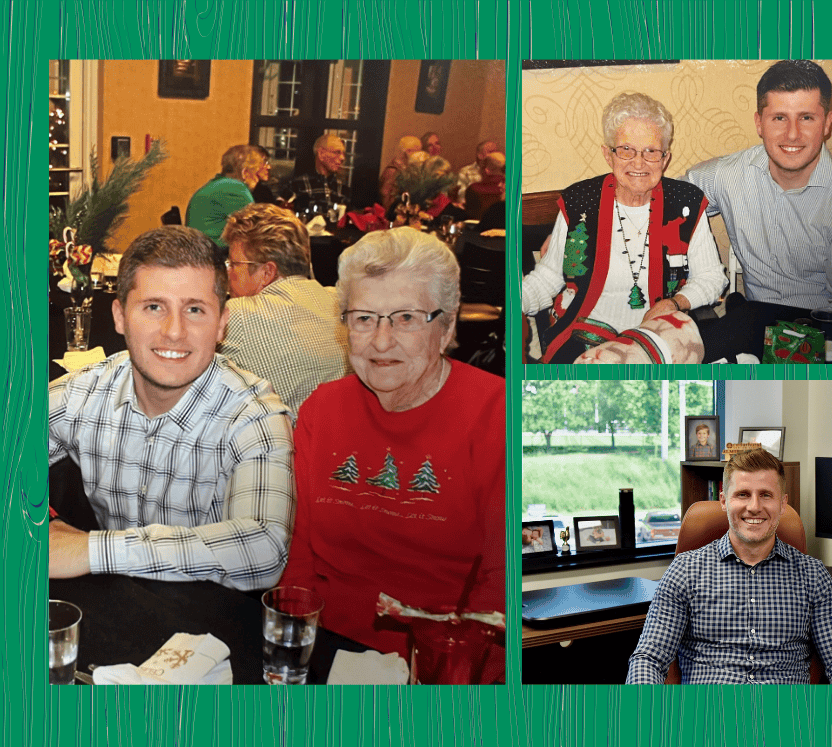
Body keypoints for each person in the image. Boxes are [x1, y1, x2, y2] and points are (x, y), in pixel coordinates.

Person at [280, 227, 505, 681]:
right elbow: (298, 557)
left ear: (446, 327)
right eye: (364, 318)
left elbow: (498, 588)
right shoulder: (322, 409)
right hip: (330, 653)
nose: (381, 342)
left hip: (444, 664)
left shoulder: (497, 416)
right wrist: (300, 656)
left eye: (405, 318)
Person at [48, 226, 294, 591]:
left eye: (194, 309)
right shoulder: (84, 394)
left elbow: (263, 548)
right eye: (153, 307)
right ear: (119, 317)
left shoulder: (254, 417)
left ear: (222, 324)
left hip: (215, 625)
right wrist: (47, 522)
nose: (174, 331)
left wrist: (90, 550)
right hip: (119, 620)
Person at [626, 449, 832, 684]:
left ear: (783, 504)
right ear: (723, 500)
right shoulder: (685, 571)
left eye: (766, 495)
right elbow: (649, 658)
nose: (754, 507)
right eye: (742, 494)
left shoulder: (813, 576)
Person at [521, 92, 726, 363]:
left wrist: (674, 303)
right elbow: (548, 278)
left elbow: (712, 277)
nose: (638, 163)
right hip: (581, 331)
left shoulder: (685, 204)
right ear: (608, 155)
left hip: (655, 332)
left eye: (651, 151)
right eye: (626, 150)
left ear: (665, 158)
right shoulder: (579, 201)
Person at [687, 60, 832, 317]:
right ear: (759, 123)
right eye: (779, 118)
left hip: (818, 334)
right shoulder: (728, 175)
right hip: (754, 321)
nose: (792, 134)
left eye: (807, 118)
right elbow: (668, 199)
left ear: (827, 123)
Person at [218, 204, 350, 418]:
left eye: (233, 264)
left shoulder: (237, 315)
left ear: (267, 272)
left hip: (276, 447)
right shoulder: (341, 300)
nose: (227, 272)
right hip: (336, 443)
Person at [186, 144, 270, 254]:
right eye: (262, 164)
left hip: (201, 250)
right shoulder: (235, 188)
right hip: (212, 256)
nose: (268, 167)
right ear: (245, 172)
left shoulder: (221, 184)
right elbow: (257, 230)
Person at [282, 133, 349, 218]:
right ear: (321, 154)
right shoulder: (297, 185)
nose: (342, 158)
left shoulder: (343, 188)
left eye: (343, 154)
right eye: (337, 152)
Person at [379, 135, 424, 209]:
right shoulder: (393, 171)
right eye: (418, 151)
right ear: (408, 152)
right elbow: (384, 194)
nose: (420, 155)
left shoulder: (404, 169)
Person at [457, 140, 499, 205]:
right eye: (491, 152)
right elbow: (461, 197)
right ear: (480, 155)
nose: (495, 155)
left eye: (496, 152)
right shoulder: (466, 172)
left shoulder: (501, 173)